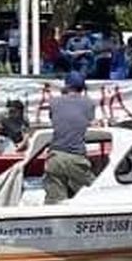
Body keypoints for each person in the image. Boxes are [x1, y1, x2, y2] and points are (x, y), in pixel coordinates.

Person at [44, 71, 95, 203]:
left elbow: (54, 118)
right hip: (76, 157)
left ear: (66, 86)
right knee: (95, 196)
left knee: (54, 202)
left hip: (54, 156)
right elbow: (88, 121)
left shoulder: (54, 102)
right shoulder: (88, 103)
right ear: (82, 88)